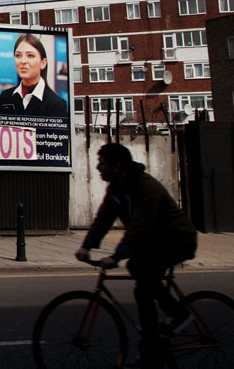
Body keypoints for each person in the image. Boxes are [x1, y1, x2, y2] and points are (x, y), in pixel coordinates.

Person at [75, 143, 198, 366]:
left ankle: (179, 316)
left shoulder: (145, 186)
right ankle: (153, 348)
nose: (98, 167)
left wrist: (117, 256)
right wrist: (87, 246)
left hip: (177, 239)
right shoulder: (116, 188)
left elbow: (140, 225)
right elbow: (104, 218)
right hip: (155, 240)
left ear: (117, 166)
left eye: (102, 163)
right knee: (139, 276)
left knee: (143, 280)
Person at [0, 33, 67, 115]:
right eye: (18, 55)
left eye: (30, 55)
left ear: (43, 63)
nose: (22, 61)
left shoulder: (56, 104)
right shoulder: (5, 97)